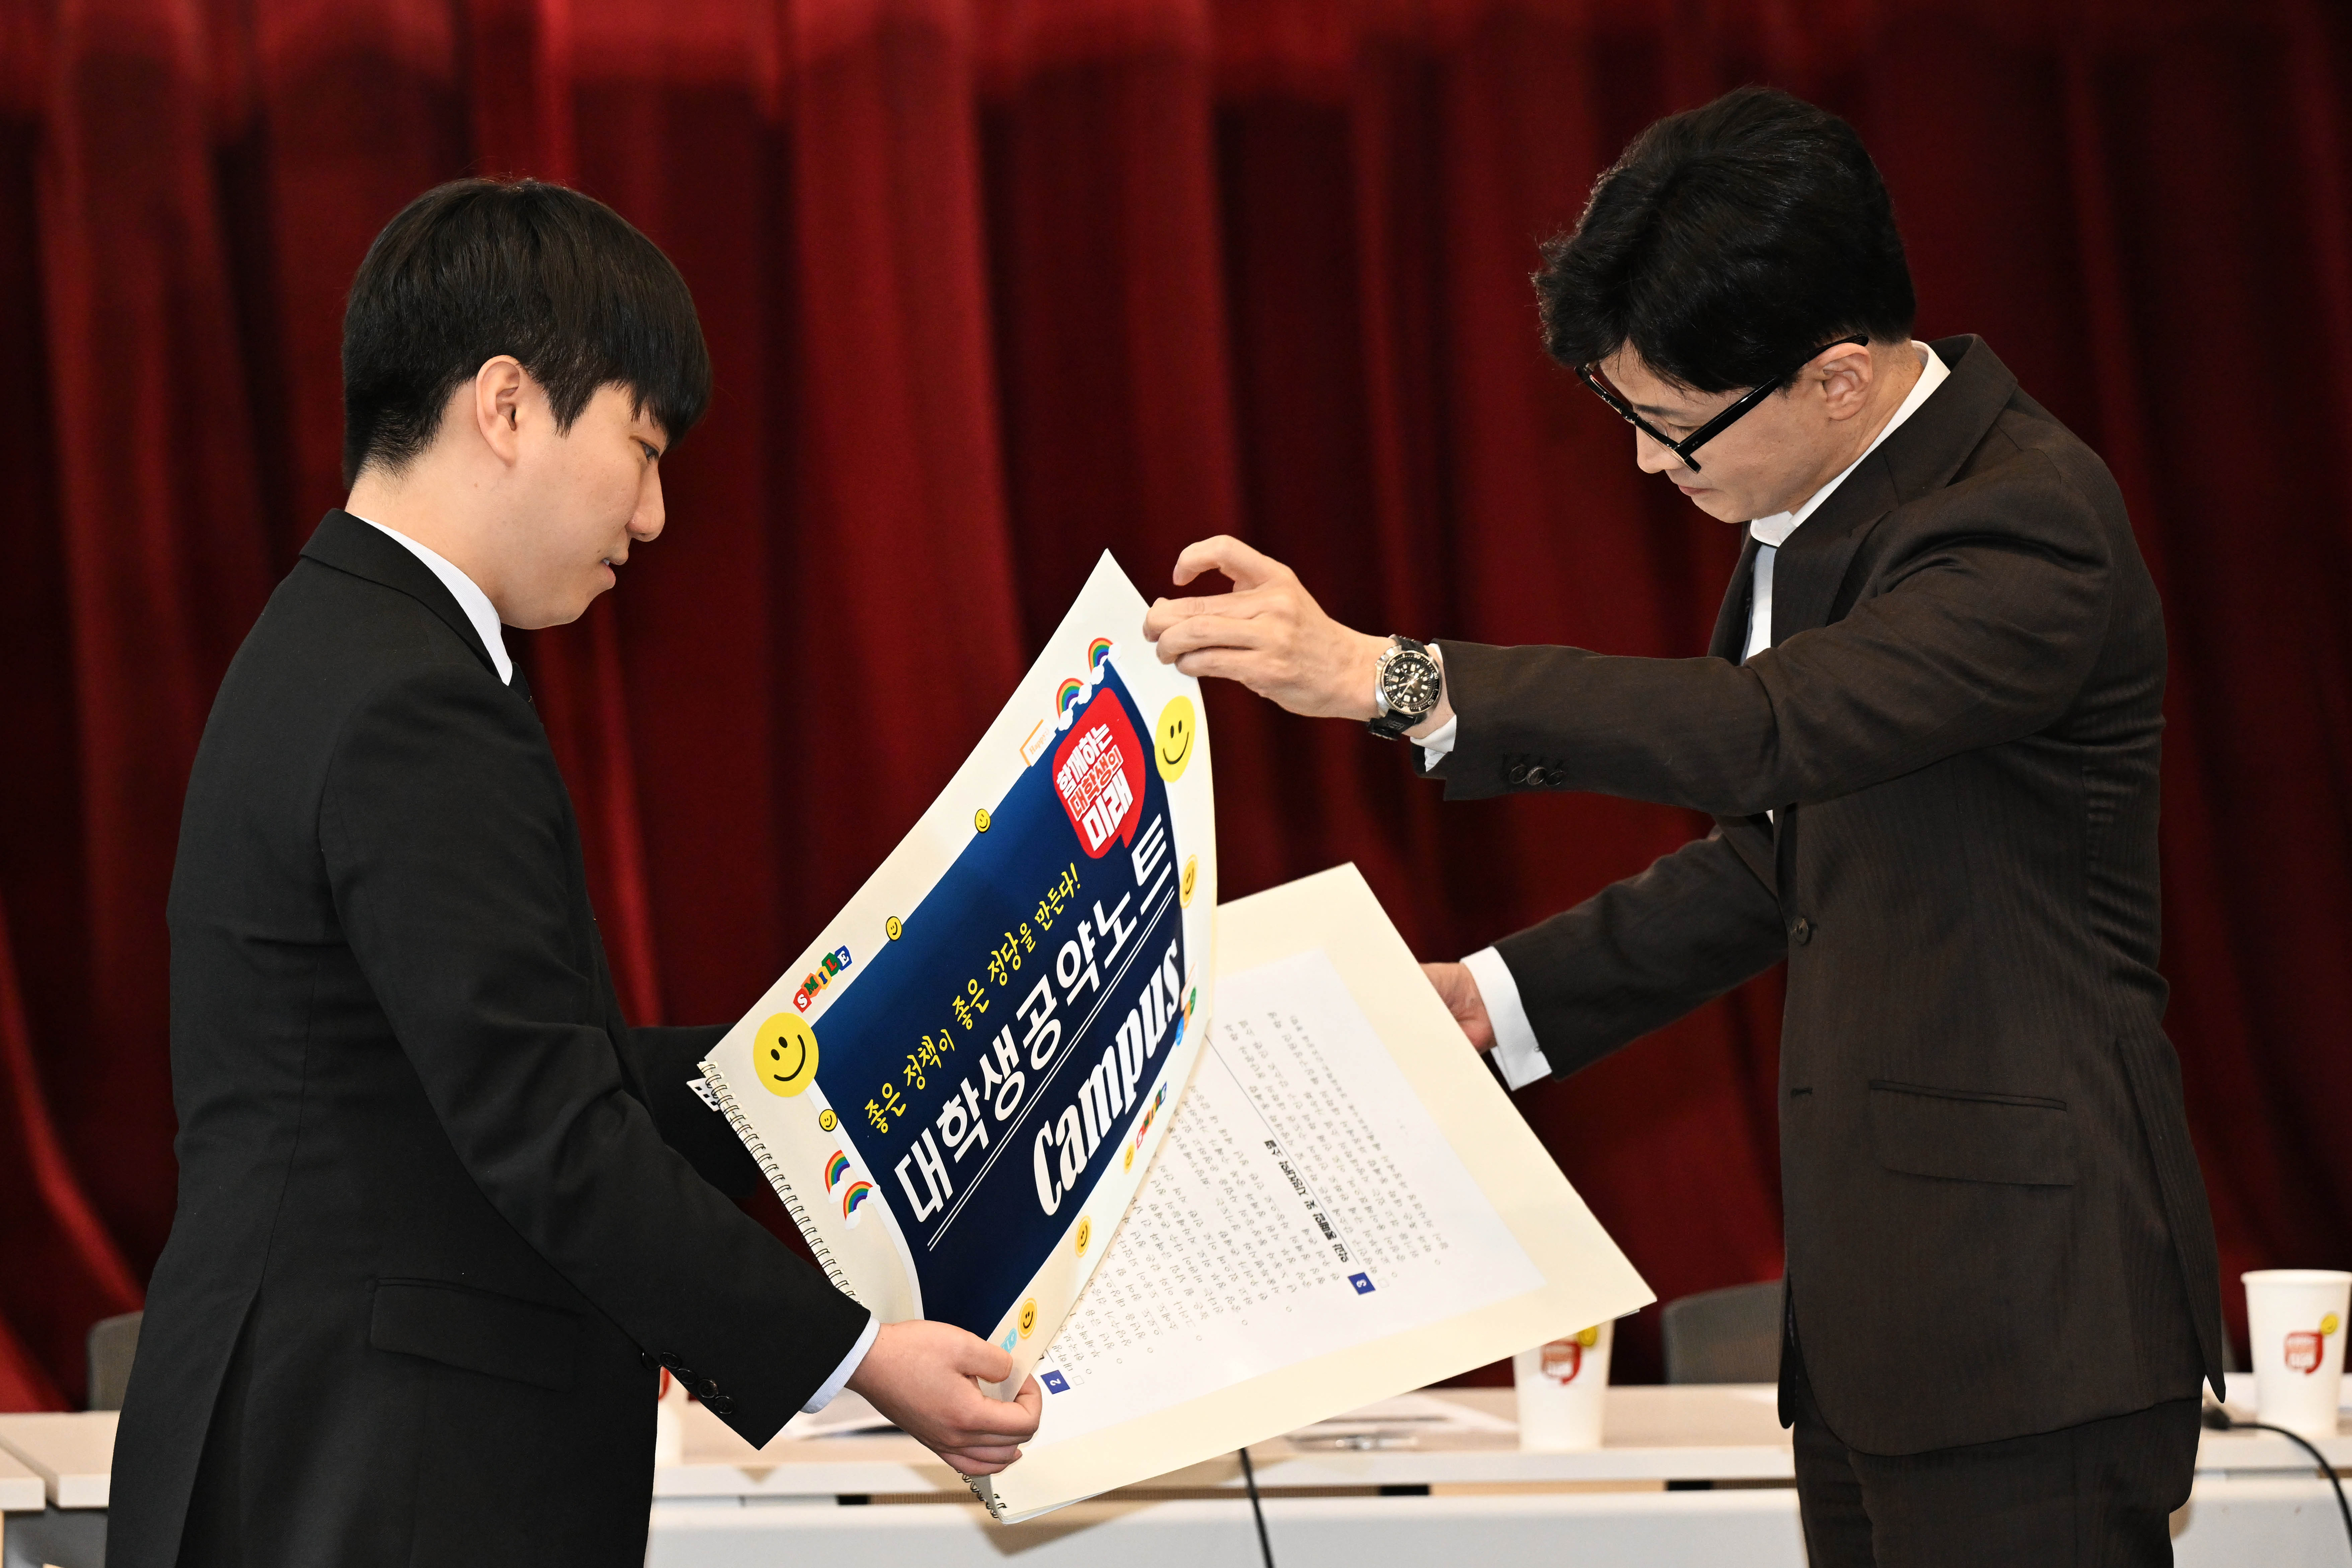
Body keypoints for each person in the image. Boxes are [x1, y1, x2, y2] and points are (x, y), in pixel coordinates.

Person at [1145, 88, 2223, 1566]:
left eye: (1670, 427)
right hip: (1879, 1325)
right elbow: (1785, 857)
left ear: (1836, 378)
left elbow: (1763, 731)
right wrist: (1493, 1001)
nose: (1651, 468)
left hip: (2026, 1311)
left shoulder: (2021, 521)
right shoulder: (1826, 508)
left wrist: (1385, 677)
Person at [107, 179, 1038, 1568]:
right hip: (378, 1473)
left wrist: (842, 1056)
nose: (655, 515)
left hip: (327, 1447)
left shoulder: (341, 642)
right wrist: (851, 1355)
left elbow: (523, 1075)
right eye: (643, 445)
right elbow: (550, 1133)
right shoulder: (409, 695)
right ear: (505, 405)